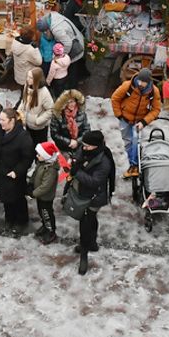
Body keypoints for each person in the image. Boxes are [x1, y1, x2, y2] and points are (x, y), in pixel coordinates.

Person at [69, 129, 114, 276]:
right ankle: (92, 243)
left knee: (85, 223)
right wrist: (74, 161)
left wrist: (76, 172)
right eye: (83, 145)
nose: (84, 148)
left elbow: (95, 182)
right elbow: (79, 156)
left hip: (94, 196)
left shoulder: (104, 161)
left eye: (87, 146)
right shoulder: (87, 150)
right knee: (90, 219)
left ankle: (84, 252)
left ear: (96, 146)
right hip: (85, 193)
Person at [110, 67, 161, 179]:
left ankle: (134, 166)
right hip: (125, 118)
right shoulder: (127, 86)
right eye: (140, 81)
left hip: (139, 121)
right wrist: (119, 115)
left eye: (144, 82)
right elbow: (115, 98)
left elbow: (156, 110)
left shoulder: (154, 91)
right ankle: (134, 164)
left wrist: (144, 121)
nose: (141, 84)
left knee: (135, 141)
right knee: (128, 143)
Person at [31, 140, 61, 244]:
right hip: (40, 196)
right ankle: (45, 226)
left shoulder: (51, 170)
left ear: (46, 156)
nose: (37, 155)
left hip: (46, 197)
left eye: (39, 154)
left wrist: (33, 193)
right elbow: (35, 174)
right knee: (41, 212)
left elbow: (45, 187)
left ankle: (51, 231)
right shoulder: (41, 163)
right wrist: (31, 183)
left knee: (46, 214)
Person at [50, 88, 90, 155]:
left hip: (79, 147)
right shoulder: (58, 115)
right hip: (63, 148)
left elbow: (87, 130)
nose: (71, 104)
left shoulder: (81, 113)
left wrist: (77, 142)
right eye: (68, 102)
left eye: (73, 101)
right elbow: (54, 134)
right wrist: (69, 142)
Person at [21, 66, 54, 142]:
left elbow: (51, 109)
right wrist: (19, 111)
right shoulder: (27, 86)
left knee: (39, 146)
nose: (27, 79)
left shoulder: (44, 92)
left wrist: (38, 121)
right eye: (27, 76)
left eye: (30, 78)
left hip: (39, 128)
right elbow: (24, 100)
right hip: (27, 124)